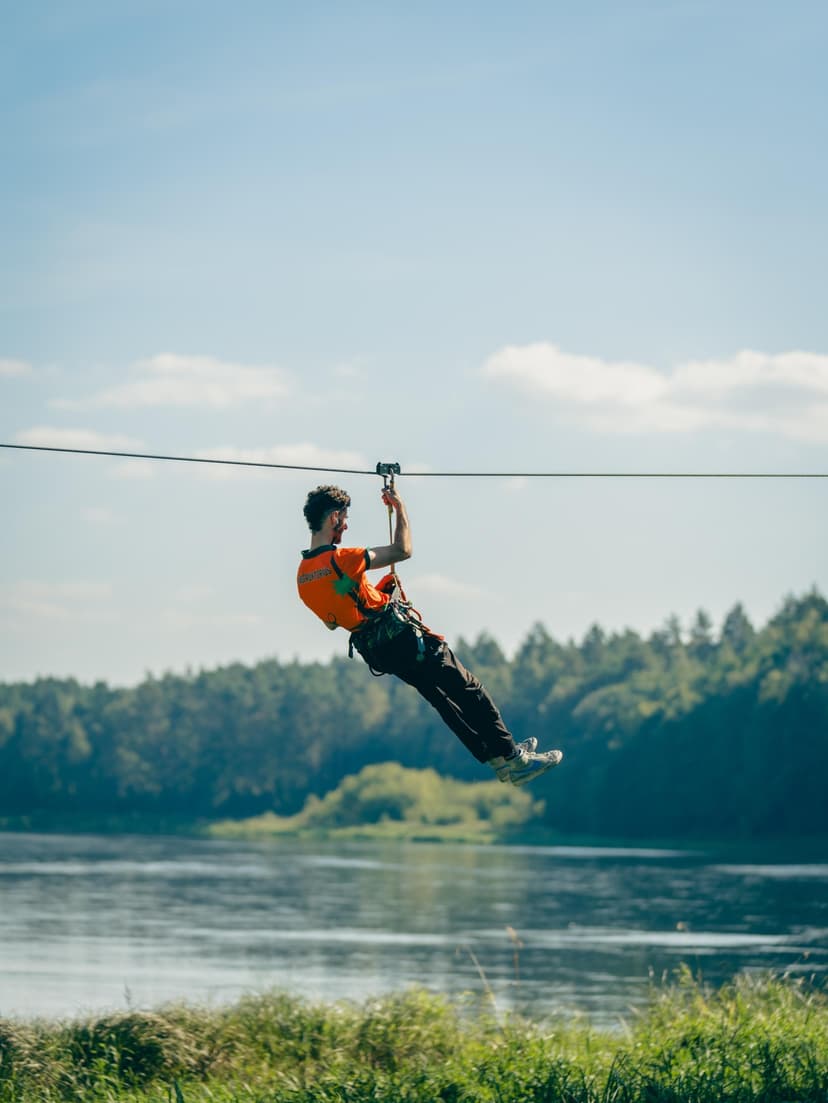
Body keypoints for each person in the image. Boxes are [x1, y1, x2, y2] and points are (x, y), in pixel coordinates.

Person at [297, 483, 563, 786]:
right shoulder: (344, 558)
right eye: (343, 520)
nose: (345, 527)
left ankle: (498, 760)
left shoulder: (303, 575)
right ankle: (514, 758)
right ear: (333, 518)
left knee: (441, 699)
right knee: (468, 688)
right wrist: (400, 508)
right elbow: (402, 550)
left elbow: (335, 617)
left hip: (380, 652)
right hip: (405, 639)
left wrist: (372, 593)